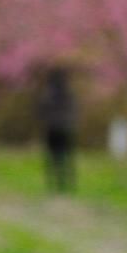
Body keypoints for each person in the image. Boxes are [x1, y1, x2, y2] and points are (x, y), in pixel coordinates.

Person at [39, 65, 77, 193]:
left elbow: (41, 111)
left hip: (52, 128)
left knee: (52, 157)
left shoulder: (48, 94)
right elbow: (74, 110)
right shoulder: (69, 92)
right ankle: (68, 182)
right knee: (67, 157)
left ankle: (53, 183)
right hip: (67, 127)